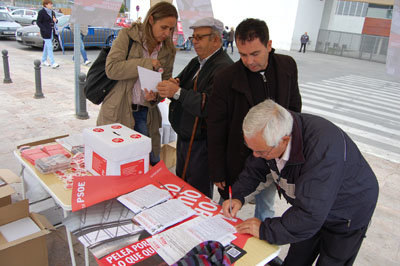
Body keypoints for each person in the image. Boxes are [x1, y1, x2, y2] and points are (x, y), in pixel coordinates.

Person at [223, 99, 379, 266]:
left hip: (347, 212)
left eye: (260, 151)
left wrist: (265, 230)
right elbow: (257, 169)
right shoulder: (274, 134)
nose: (254, 155)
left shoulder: (323, 151)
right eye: (251, 148)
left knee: (332, 261)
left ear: (284, 140)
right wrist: (238, 196)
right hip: (311, 204)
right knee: (297, 258)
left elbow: (309, 215)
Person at [207, 18, 302, 220]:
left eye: (255, 53)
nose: (249, 61)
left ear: (269, 45)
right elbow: (215, 126)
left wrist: (286, 153)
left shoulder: (287, 67)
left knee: (266, 207)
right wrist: (217, 169)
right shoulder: (226, 78)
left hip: (272, 155)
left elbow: (294, 111)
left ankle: (264, 241)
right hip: (237, 156)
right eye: (243, 55)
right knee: (227, 207)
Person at [157, 17, 233, 198]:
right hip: (186, 135)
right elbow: (182, 82)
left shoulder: (224, 68)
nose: (194, 41)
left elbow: (209, 105)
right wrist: (175, 83)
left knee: (196, 190)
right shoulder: (197, 62)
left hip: (203, 142)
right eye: (194, 37)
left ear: (215, 39)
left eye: (200, 37)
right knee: (182, 182)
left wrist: (177, 91)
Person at [96, 1, 178, 166]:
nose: (167, 33)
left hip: (145, 114)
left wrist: (158, 93)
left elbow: (163, 81)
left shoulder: (168, 49)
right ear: (151, 20)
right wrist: (147, 63)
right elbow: (112, 69)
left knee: (148, 164)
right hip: (118, 110)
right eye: (164, 27)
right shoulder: (128, 36)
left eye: (171, 29)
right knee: (117, 164)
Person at [37, 0, 59, 69]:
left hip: (51, 31)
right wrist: (43, 29)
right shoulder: (41, 12)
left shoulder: (52, 12)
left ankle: (43, 60)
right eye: (50, 4)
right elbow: (38, 22)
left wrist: (56, 20)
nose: (51, 5)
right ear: (45, 5)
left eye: (52, 4)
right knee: (50, 46)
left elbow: (55, 21)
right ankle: (53, 62)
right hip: (45, 32)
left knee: (46, 47)